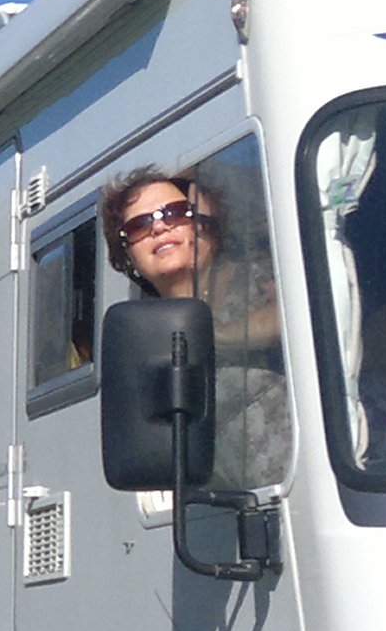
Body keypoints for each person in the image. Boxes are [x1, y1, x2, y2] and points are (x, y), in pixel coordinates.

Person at [102, 166, 295, 484]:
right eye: (139, 225)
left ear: (207, 226)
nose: (159, 227)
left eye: (175, 213)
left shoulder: (262, 278)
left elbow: (287, 319)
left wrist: (209, 339)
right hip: (221, 502)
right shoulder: (138, 332)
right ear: (128, 257)